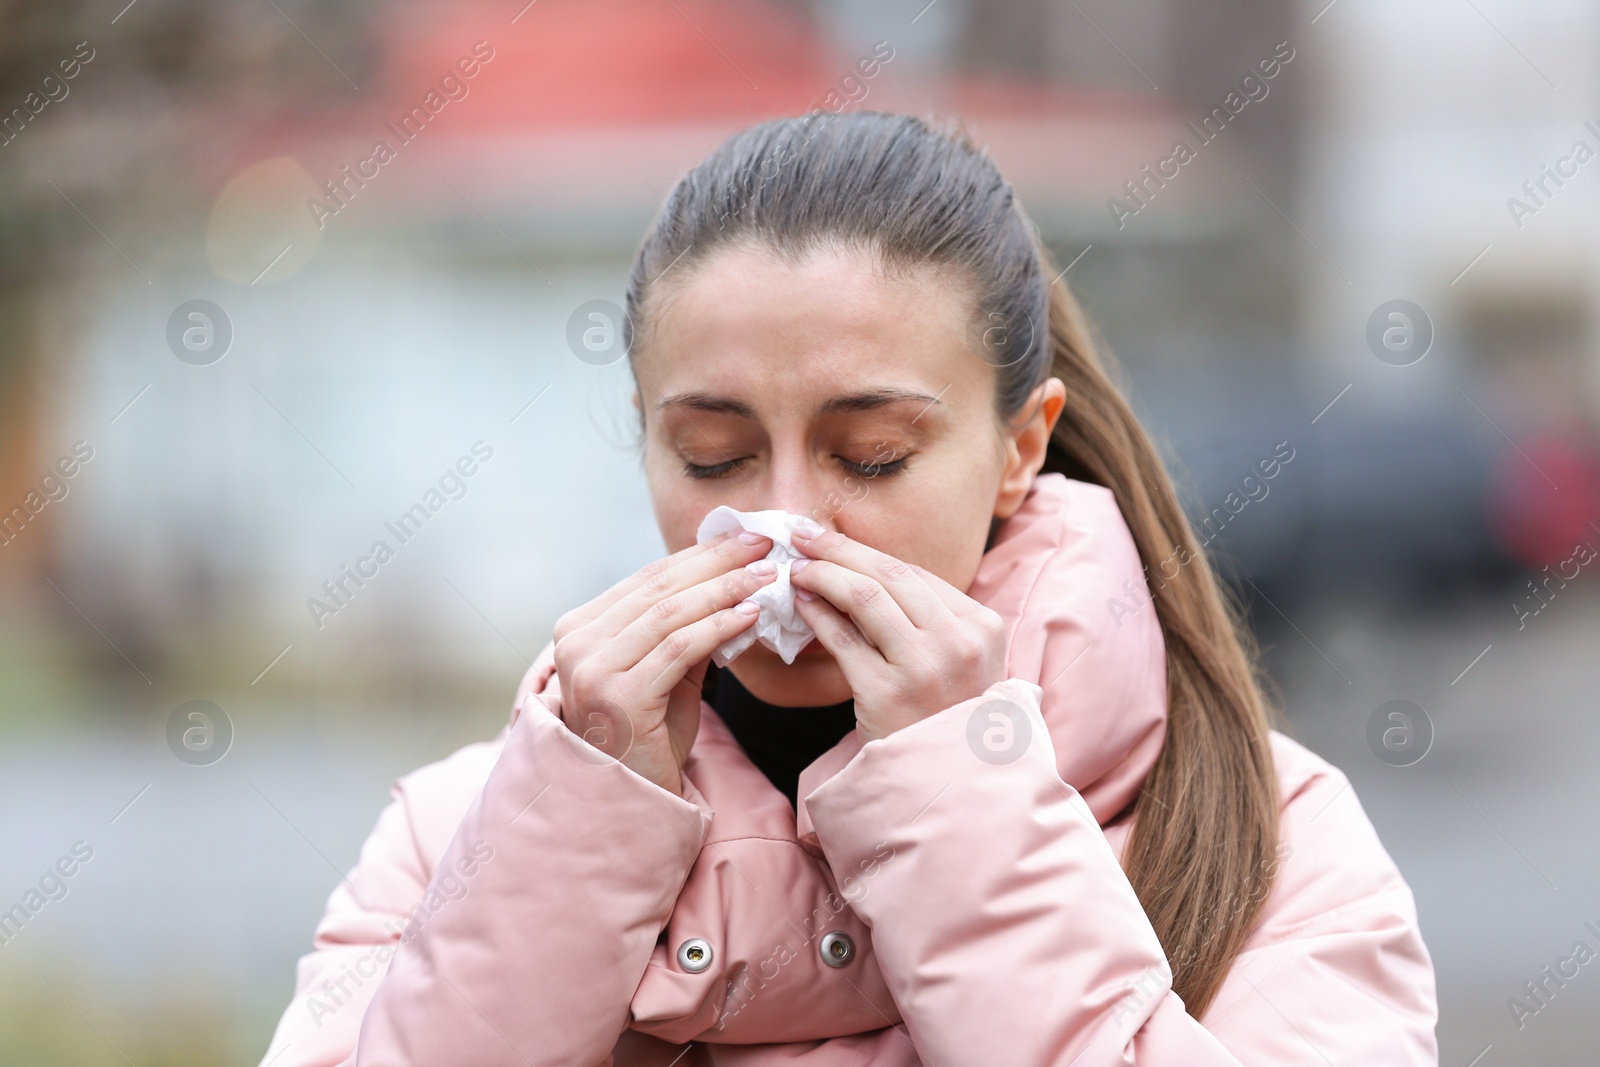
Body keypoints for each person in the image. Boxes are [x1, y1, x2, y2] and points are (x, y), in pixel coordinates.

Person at [259, 111, 1438, 1066]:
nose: (783, 518)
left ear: (1020, 446)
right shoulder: (459, 830)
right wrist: (574, 825)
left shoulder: (1268, 836)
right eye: (712, 454)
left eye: (870, 453)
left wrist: (958, 797)